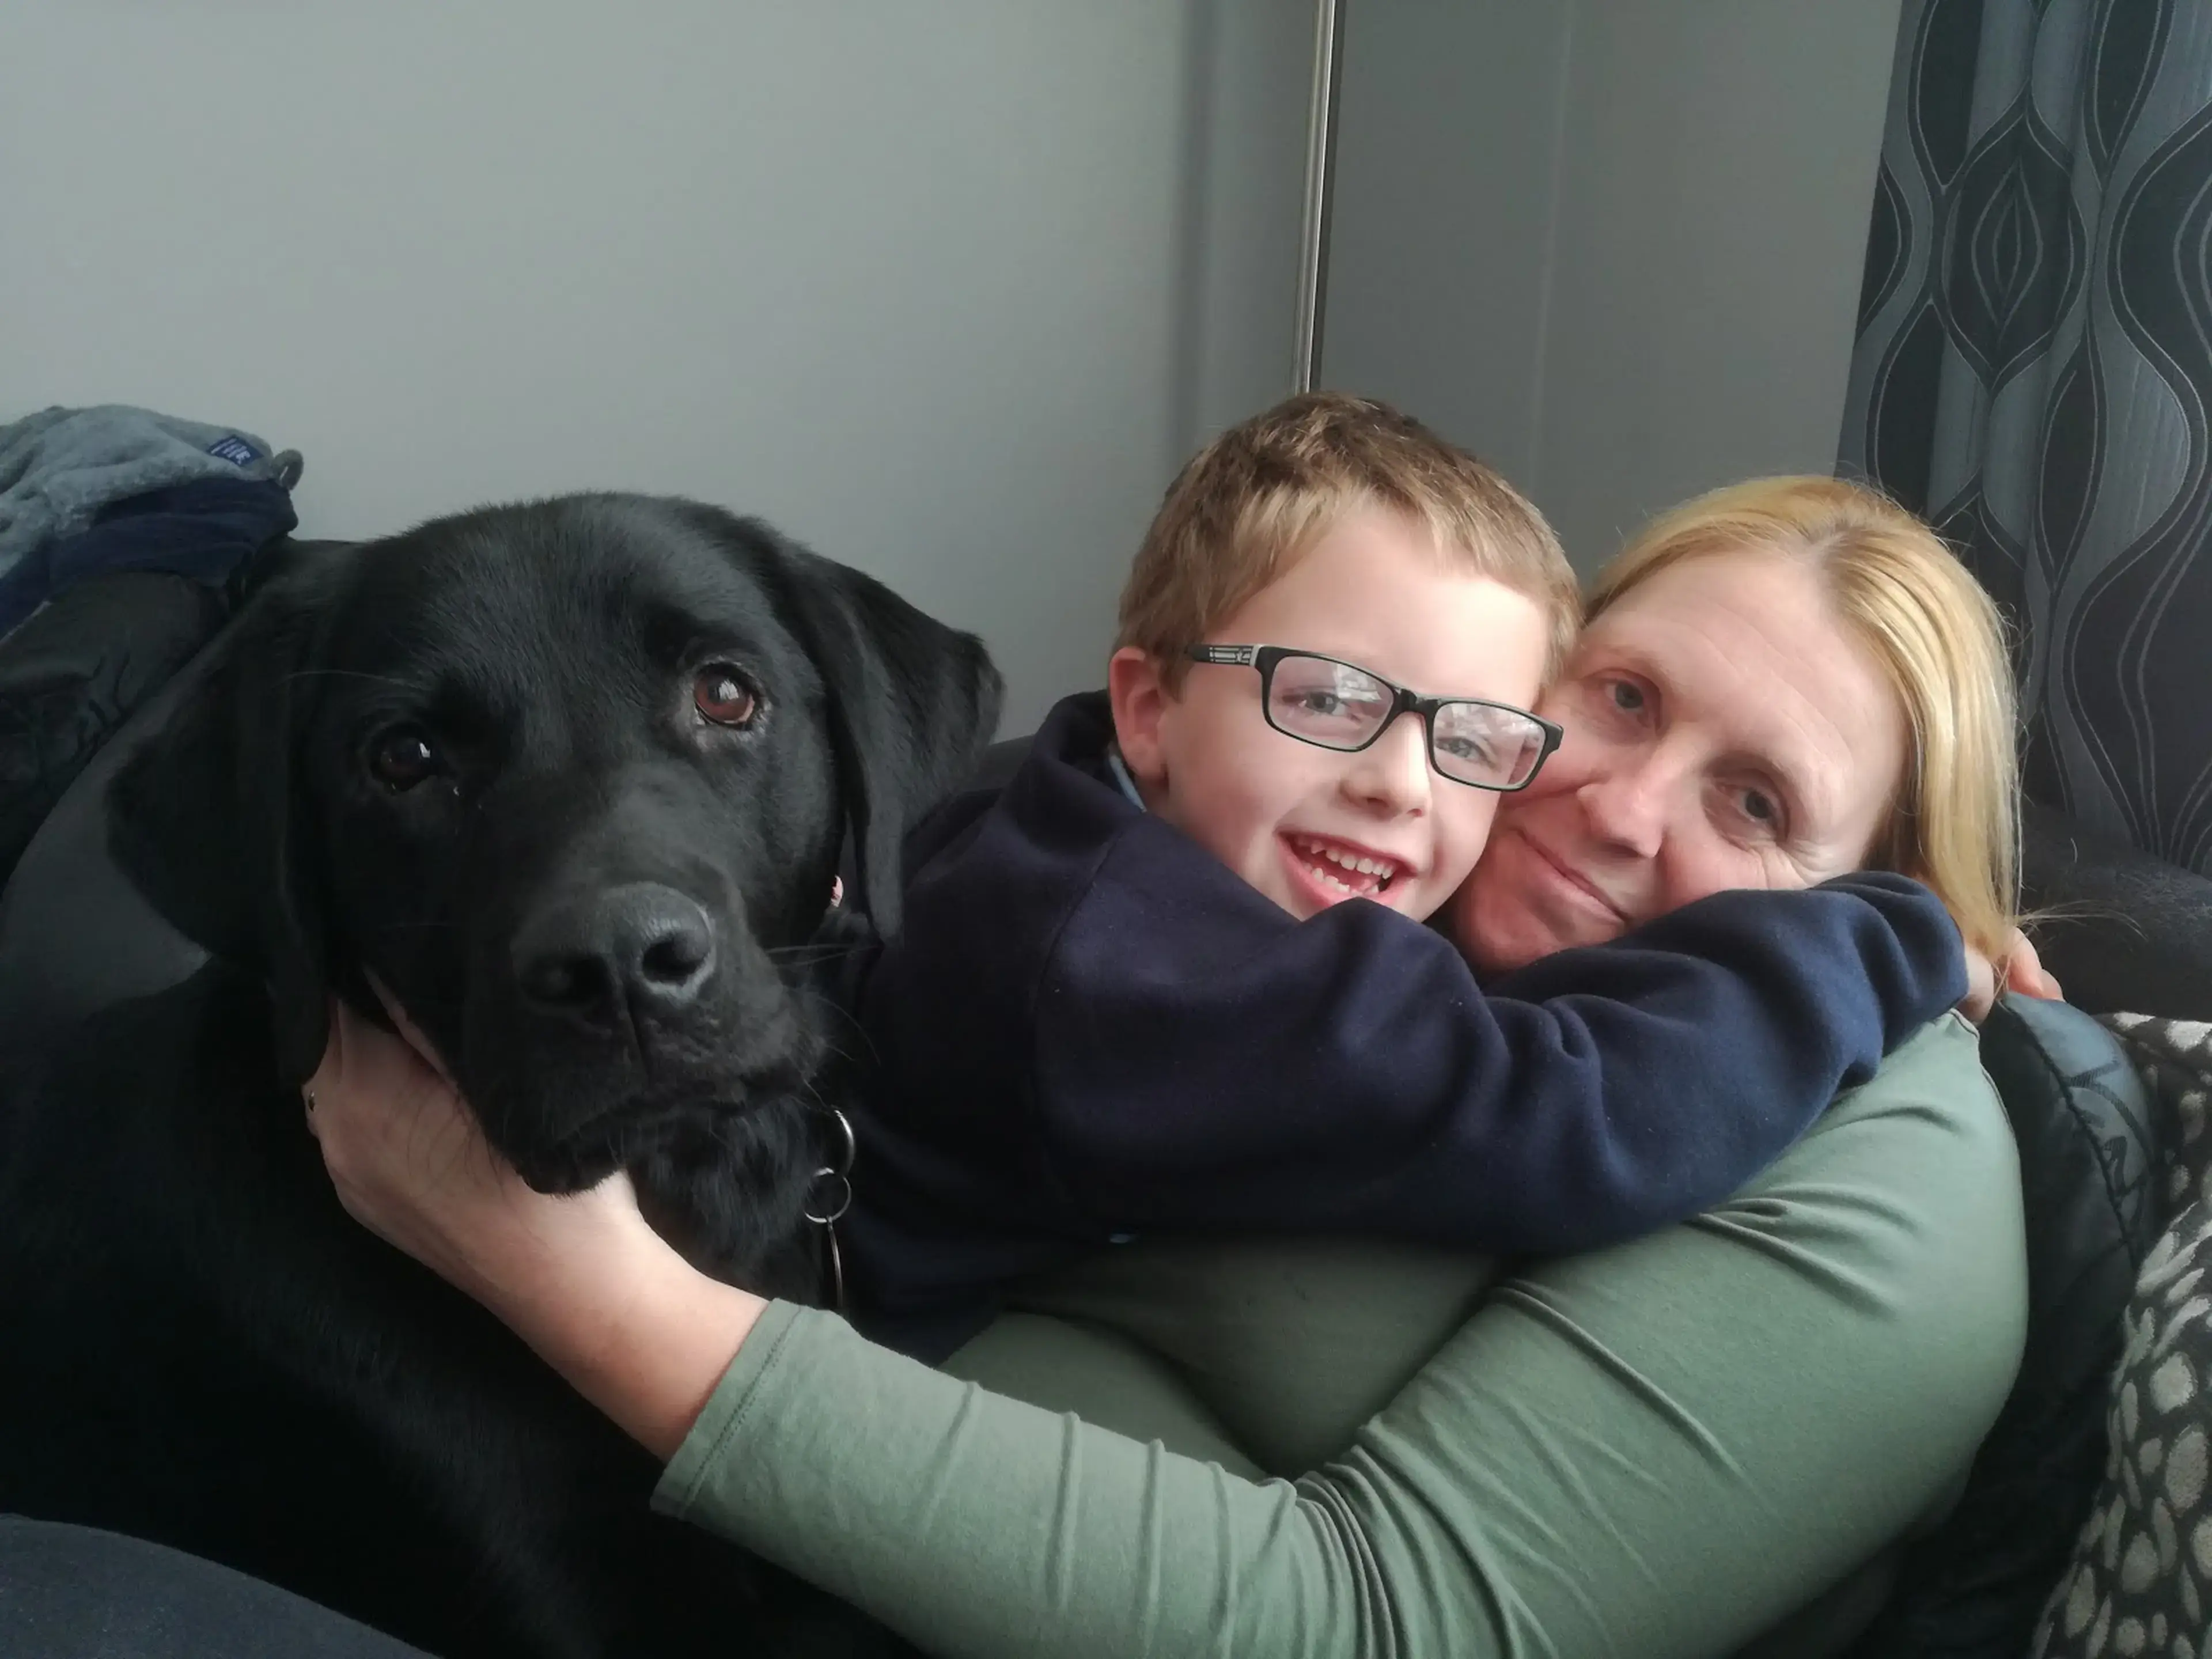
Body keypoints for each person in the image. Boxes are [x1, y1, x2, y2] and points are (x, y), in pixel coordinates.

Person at [308, 473, 2032, 1658]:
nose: (1623, 805)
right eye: (1626, 698)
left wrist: (566, 1281)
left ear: (1879, 880)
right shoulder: (1363, 889)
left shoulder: (1887, 1165)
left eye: (1759, 804)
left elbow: (1375, 1625)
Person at [835, 393, 1968, 1354]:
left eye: (1759, 802)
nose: (1399, 784)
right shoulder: (1123, 960)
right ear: (1149, 708)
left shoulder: (1096, 810)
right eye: (1326, 697)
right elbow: (1560, 1109)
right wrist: (1883, 940)